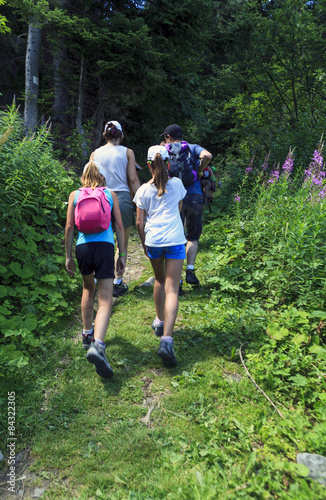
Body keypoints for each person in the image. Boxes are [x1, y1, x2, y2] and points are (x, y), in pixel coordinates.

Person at [65, 161, 126, 378]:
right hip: (104, 247)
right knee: (106, 297)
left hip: (83, 247)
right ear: (101, 176)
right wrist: (123, 254)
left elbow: (70, 227)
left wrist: (68, 256)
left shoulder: (75, 195)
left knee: (88, 288)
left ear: (83, 176)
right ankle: (98, 345)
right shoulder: (110, 194)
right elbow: (119, 225)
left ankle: (86, 334)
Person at [134, 145, 187, 366]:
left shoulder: (143, 191)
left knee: (159, 280)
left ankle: (159, 320)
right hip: (175, 239)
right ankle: (167, 339)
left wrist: (145, 244)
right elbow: (179, 208)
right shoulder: (177, 185)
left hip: (154, 241)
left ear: (148, 165)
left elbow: (139, 222)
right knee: (172, 287)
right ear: (168, 163)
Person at [90, 121, 140, 297]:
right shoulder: (127, 152)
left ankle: (97, 279)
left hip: (99, 198)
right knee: (122, 242)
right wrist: (141, 200)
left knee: (101, 240)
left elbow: (90, 181)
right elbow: (133, 179)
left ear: (105, 135)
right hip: (122, 198)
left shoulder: (95, 154)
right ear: (121, 135)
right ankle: (118, 282)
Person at [161, 124, 212, 292]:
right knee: (192, 236)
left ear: (168, 136)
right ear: (181, 136)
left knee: (175, 237)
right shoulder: (192, 148)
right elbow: (208, 155)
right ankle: (190, 270)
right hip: (194, 196)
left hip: (173, 197)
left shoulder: (163, 149)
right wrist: (198, 170)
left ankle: (177, 281)